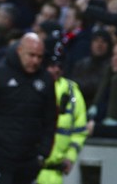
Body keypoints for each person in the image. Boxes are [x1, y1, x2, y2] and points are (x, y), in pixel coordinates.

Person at [0, 33, 57, 184]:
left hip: (29, 162)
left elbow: (50, 121)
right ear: (19, 50)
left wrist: (42, 154)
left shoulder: (46, 80)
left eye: (39, 57)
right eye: (31, 55)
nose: (35, 61)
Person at [36, 39, 88, 184]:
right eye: (51, 65)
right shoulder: (33, 87)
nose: (56, 69)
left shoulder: (72, 92)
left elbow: (79, 131)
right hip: (30, 172)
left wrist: (70, 157)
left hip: (56, 176)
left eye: (59, 65)